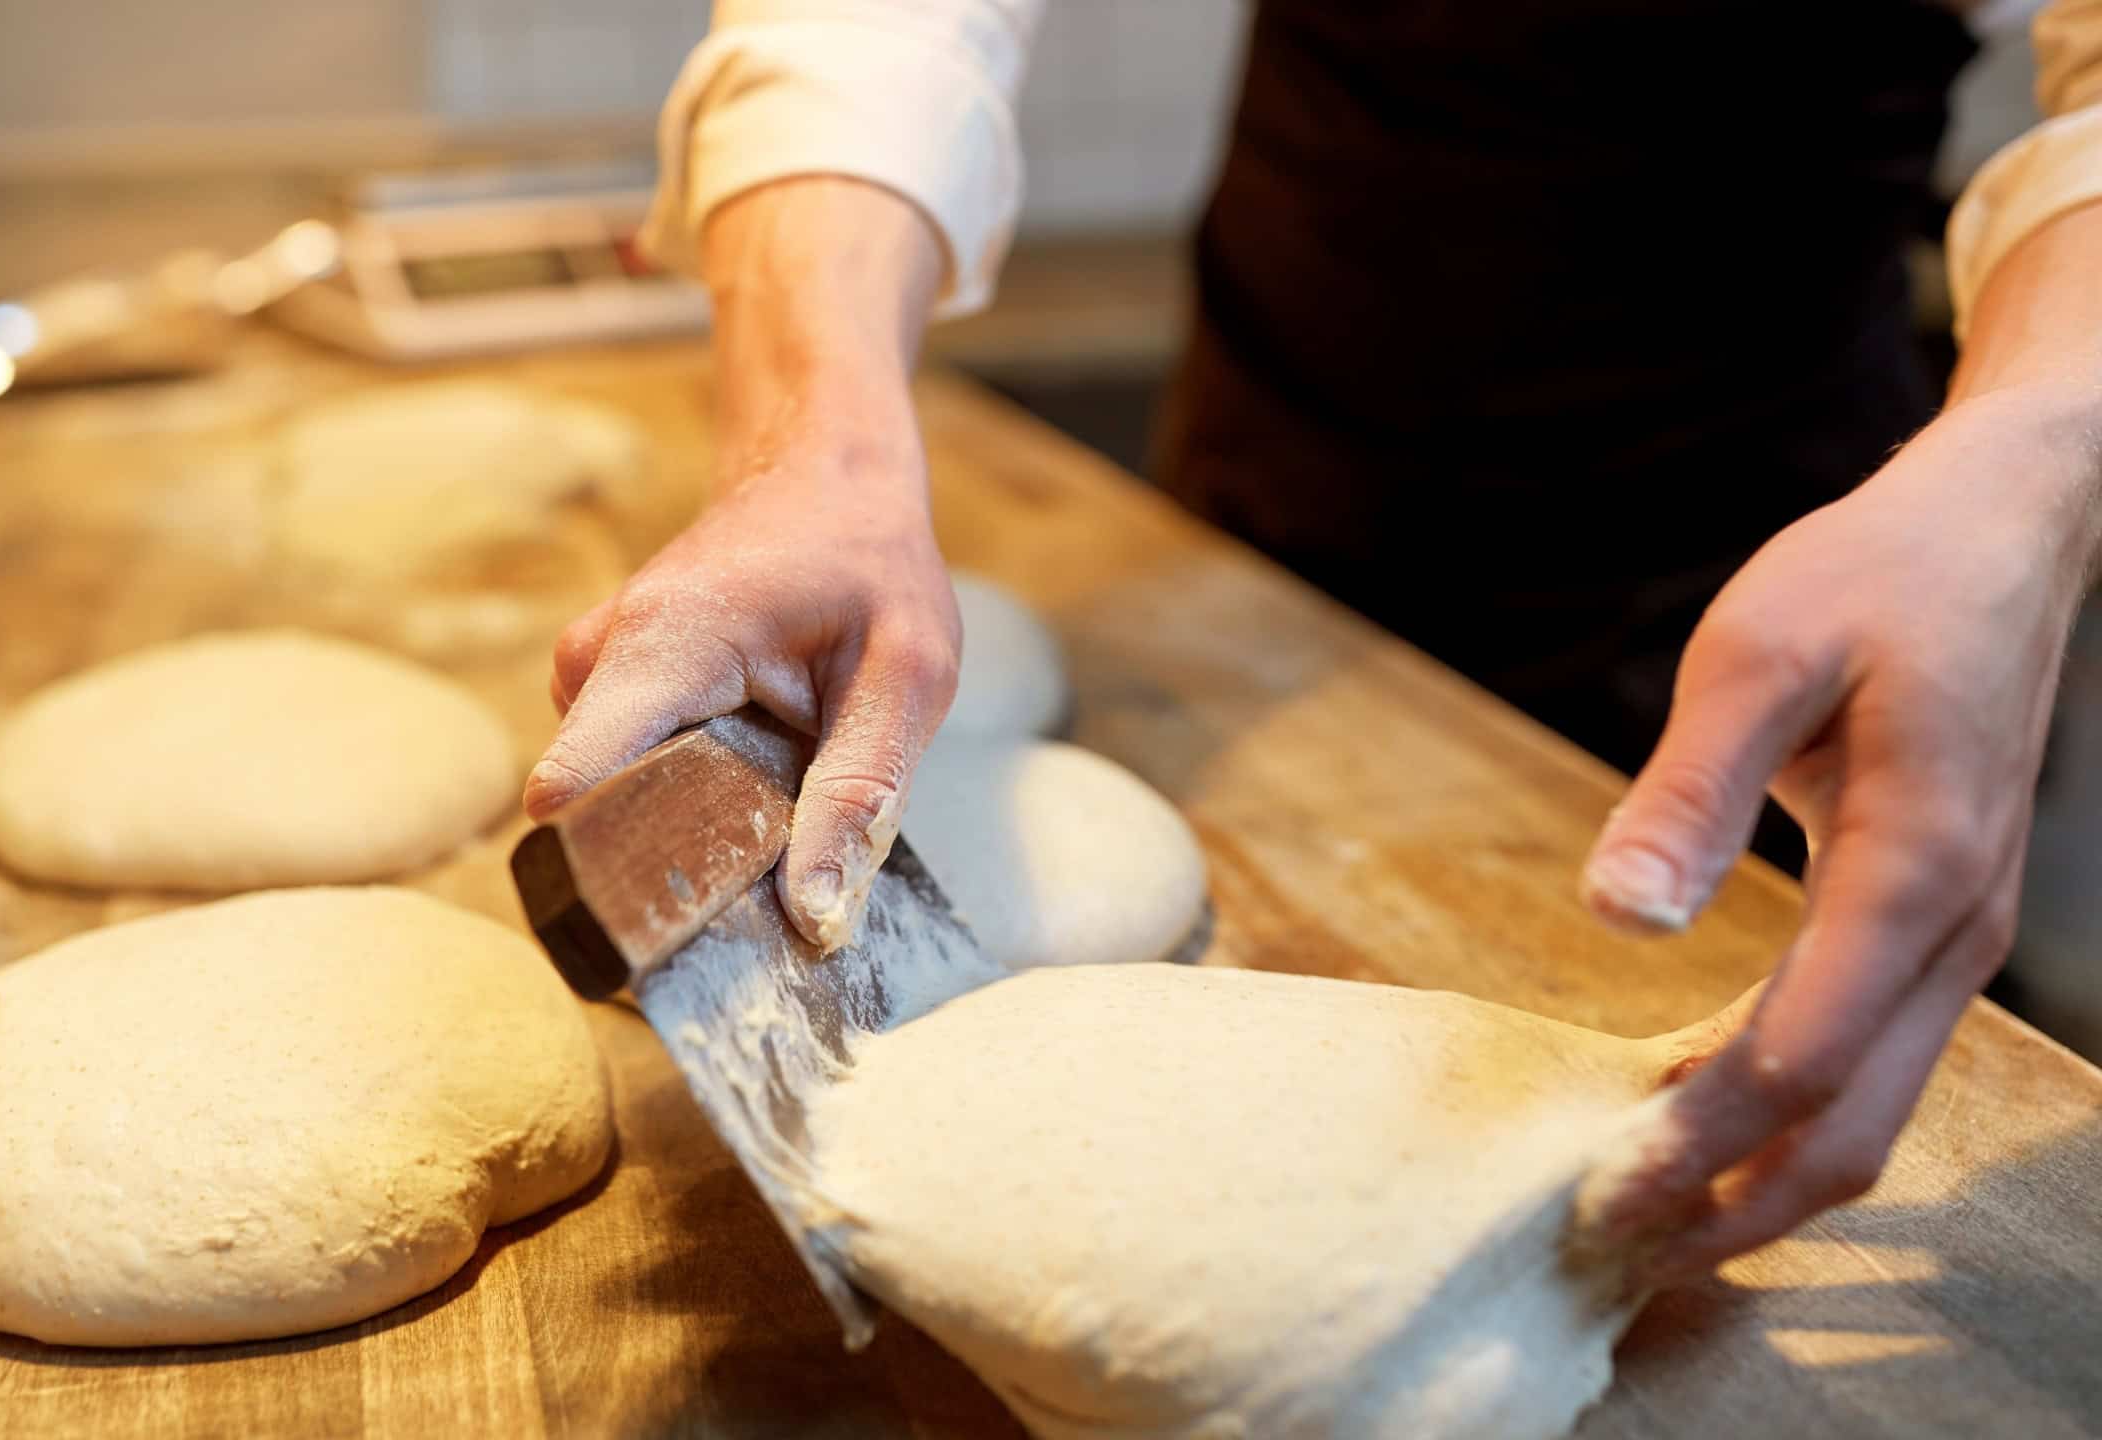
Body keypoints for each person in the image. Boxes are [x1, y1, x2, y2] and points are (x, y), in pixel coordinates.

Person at [527, 0, 2102, 1288]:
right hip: (1282, 477)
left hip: (1788, 564)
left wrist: (2035, 450)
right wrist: (820, 446)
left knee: (1798, 1070)